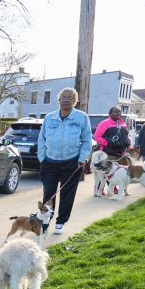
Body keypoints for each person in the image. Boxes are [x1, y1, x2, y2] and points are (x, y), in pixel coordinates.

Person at [37, 87, 92, 235]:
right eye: (63, 97)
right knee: (49, 194)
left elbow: (87, 140)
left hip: (72, 162)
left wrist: (82, 159)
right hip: (49, 162)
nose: (66, 100)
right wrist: (42, 158)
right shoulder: (49, 117)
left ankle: (61, 222)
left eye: (70, 97)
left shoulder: (81, 117)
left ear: (75, 101)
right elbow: (41, 139)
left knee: (68, 194)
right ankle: (46, 220)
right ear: (59, 100)